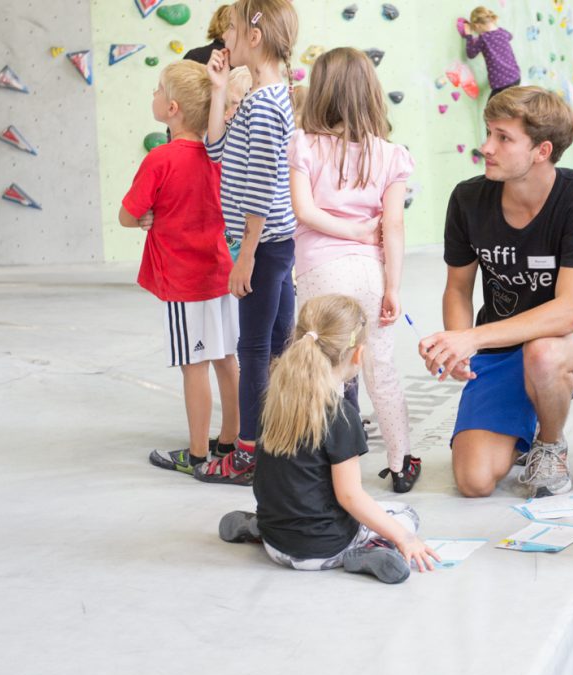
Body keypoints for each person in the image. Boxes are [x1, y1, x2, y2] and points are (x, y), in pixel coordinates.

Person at [420, 86, 573, 499]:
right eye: (489, 132)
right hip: (501, 341)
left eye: (503, 138)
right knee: (474, 481)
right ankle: (529, 407)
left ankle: (549, 442)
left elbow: (570, 313)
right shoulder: (468, 198)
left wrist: (472, 337)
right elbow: (458, 288)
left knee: (543, 354)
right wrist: (459, 346)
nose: (486, 147)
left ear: (542, 151)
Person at [218, 295, 440, 583]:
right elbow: (351, 497)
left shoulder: (275, 398)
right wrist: (405, 538)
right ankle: (363, 551)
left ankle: (258, 528)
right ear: (357, 355)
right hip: (323, 552)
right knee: (406, 515)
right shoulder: (341, 416)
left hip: (276, 543)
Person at [289, 47, 420, 493]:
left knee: (321, 366)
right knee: (380, 368)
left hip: (321, 271)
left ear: (321, 92)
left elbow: (303, 212)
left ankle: (320, 460)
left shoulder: (303, 145)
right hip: (372, 274)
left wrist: (349, 231)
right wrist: (394, 287)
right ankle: (401, 462)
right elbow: (395, 225)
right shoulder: (391, 154)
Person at [118, 61, 240, 473]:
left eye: (156, 90)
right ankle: (230, 443)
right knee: (228, 360)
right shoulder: (220, 156)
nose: (151, 96)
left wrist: (145, 218)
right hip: (223, 274)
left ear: (172, 108)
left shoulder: (161, 159)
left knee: (194, 367)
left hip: (185, 282)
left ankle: (197, 454)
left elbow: (126, 215)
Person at [195, 0, 298, 486]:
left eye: (232, 31)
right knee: (276, 343)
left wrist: (245, 256)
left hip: (264, 244)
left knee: (254, 347)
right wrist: (218, 90)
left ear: (254, 38)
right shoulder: (265, 96)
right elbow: (215, 148)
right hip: (271, 243)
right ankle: (274, 442)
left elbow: (259, 187)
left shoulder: (263, 104)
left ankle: (249, 452)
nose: (225, 41)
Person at [460, 6, 521, 100]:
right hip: (515, 77)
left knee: (490, 112)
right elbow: (510, 36)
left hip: (501, 84)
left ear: (477, 26)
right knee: (505, 109)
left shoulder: (483, 38)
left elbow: (470, 54)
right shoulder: (502, 32)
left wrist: (469, 36)